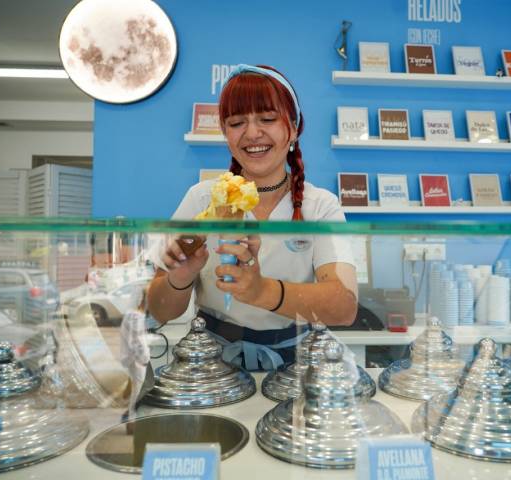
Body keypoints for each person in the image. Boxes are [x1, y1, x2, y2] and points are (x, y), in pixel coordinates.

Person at [147, 64, 358, 370]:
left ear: (295, 127)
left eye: (268, 119)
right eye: (236, 122)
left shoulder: (320, 206)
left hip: (295, 366)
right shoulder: (202, 199)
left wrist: (260, 290)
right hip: (211, 362)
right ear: (225, 133)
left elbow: (343, 307)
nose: (252, 133)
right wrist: (179, 278)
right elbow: (160, 310)